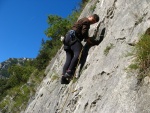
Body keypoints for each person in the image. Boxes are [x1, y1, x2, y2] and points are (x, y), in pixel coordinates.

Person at [61, 14, 99, 84]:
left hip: (67, 39)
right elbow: (84, 32)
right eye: (93, 20)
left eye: (94, 22)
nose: (92, 22)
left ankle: (63, 77)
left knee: (69, 58)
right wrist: (88, 39)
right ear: (90, 17)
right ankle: (69, 71)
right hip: (73, 37)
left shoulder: (81, 20)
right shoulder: (86, 21)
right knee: (78, 53)